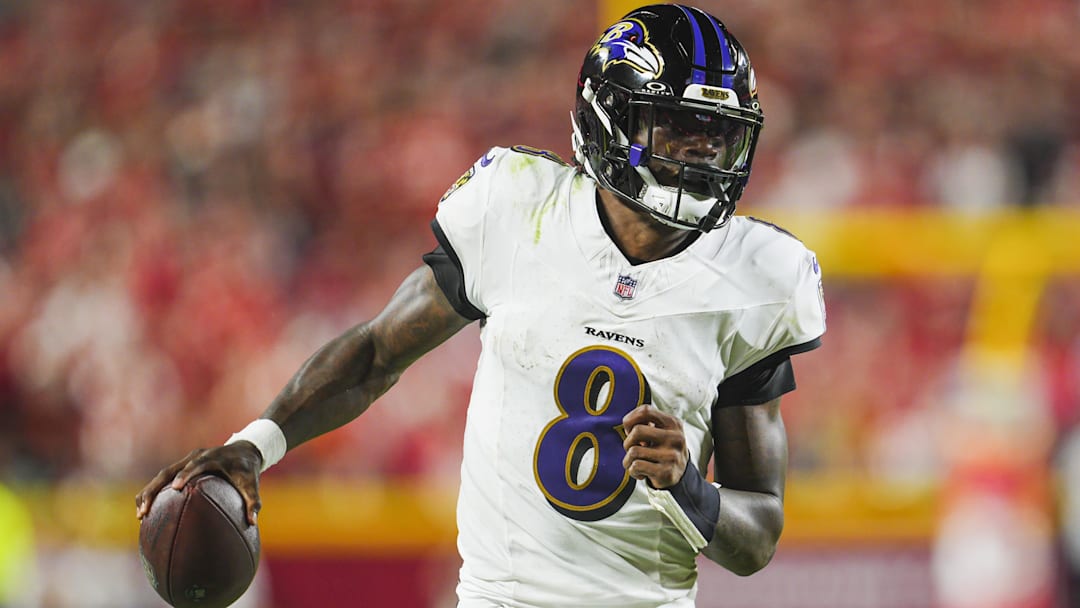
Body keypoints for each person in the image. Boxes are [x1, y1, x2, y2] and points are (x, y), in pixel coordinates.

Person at [136, 4, 826, 607]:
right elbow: (376, 353)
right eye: (677, 129)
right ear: (610, 119)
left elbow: (757, 532)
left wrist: (688, 488)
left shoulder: (755, 280)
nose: (702, 155)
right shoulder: (520, 211)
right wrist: (254, 446)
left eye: (718, 134)